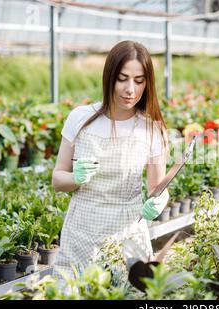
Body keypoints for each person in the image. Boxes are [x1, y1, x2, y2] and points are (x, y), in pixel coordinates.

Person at [51, 40, 170, 278]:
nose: (130, 90)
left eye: (139, 81)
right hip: (82, 232)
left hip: (127, 236)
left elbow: (158, 187)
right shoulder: (81, 118)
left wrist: (161, 200)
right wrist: (75, 177)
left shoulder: (151, 128)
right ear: (109, 77)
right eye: (122, 78)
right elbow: (57, 179)